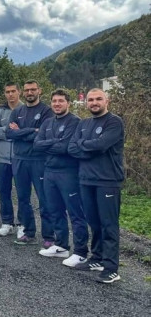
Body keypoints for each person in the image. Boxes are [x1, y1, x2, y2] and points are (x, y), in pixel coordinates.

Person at [68, 89, 125, 284]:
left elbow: (102, 145)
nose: (94, 102)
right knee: (94, 222)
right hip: (86, 180)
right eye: (91, 100)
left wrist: (85, 146)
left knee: (109, 225)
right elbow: (72, 148)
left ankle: (111, 268)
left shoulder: (114, 122)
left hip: (107, 181)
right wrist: (89, 147)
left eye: (98, 99)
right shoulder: (84, 123)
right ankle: (97, 258)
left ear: (106, 101)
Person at [34, 89, 87, 267]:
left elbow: (66, 147)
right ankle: (61, 245)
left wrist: (50, 144)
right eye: (54, 101)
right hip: (49, 171)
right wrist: (54, 142)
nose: (57, 104)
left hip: (68, 173)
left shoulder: (75, 122)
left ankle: (80, 252)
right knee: (54, 209)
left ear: (68, 103)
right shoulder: (48, 122)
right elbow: (37, 145)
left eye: (61, 101)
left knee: (75, 212)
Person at [6, 80, 54, 246]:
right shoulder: (17, 111)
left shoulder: (47, 111)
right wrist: (30, 131)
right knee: (22, 198)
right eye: (27, 90)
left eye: (33, 89)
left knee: (44, 199)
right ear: (23, 92)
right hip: (19, 159)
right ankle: (29, 232)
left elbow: (43, 136)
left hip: (39, 160)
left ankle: (49, 236)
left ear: (39, 90)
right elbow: (9, 134)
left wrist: (20, 132)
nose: (30, 93)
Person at [0, 83, 22, 236]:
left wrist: (16, 132)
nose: (10, 94)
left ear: (19, 92)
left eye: (13, 91)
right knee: (4, 192)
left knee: (23, 192)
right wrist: (11, 130)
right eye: (7, 92)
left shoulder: (25, 110)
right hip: (1, 158)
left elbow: (29, 133)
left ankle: (23, 224)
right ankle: (7, 222)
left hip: (20, 157)